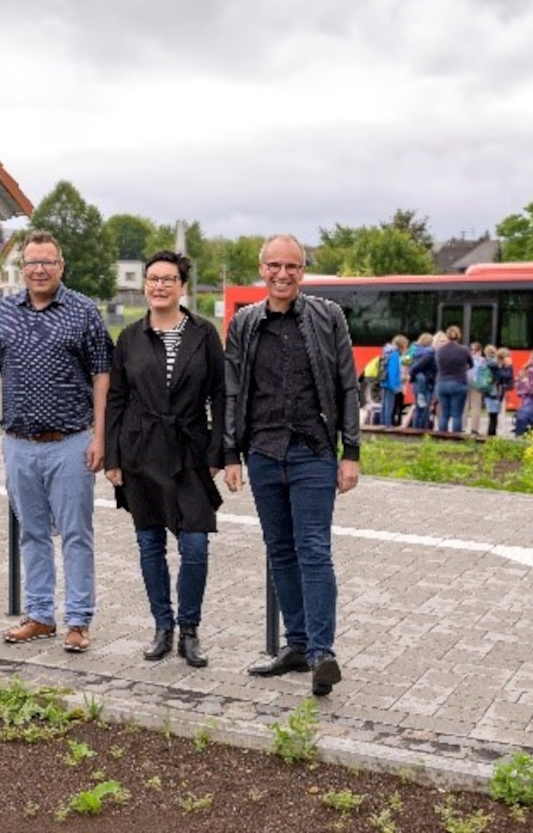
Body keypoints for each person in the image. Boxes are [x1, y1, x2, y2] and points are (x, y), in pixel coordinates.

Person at [222, 234, 360, 697]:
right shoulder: (245, 322)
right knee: (280, 551)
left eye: (293, 267)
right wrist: (230, 454)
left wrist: (351, 453)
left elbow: (347, 386)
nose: (283, 274)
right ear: (261, 269)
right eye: (274, 266)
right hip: (262, 453)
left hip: (313, 452)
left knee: (314, 551)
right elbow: (233, 390)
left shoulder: (328, 317)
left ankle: (323, 652)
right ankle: (296, 644)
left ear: (304, 271)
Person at [0, 230, 114, 654]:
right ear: (22, 268)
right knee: (31, 533)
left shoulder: (84, 312)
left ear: (61, 266)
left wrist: (100, 437)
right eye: (31, 262)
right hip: (18, 444)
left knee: (75, 533)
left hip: (71, 442)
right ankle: (39, 616)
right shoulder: (2, 313)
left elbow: (102, 377)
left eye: (47, 262)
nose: (38, 269)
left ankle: (77, 620)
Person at [104, 251, 225, 668]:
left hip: (191, 449)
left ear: (182, 286)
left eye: (168, 279)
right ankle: (162, 626)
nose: (159, 286)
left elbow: (220, 394)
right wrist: (112, 456)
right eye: (153, 279)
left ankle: (190, 630)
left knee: (195, 545)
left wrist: (220, 451)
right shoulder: (130, 338)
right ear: (145, 286)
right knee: (149, 543)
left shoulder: (204, 334)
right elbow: (117, 398)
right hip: (141, 450)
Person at [435, 326, 473, 433]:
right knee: (457, 414)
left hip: (442, 383)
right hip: (459, 383)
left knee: (444, 413)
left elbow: (438, 365)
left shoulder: (440, 351)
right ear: (459, 336)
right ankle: (455, 438)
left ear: (447, 336)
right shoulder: (464, 350)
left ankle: (441, 436)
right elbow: (471, 364)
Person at [408, 333, 436, 430]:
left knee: (419, 408)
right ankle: (421, 431)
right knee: (424, 410)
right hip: (426, 383)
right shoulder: (429, 353)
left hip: (417, 382)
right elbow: (417, 367)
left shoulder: (416, 350)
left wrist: (411, 374)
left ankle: (416, 430)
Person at [379, 334, 408, 429]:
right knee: (389, 405)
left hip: (384, 381)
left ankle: (382, 424)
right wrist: (395, 386)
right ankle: (388, 425)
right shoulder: (395, 355)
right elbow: (393, 371)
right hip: (391, 384)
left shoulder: (387, 352)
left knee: (384, 404)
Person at [485, 346, 513, 436]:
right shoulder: (495, 366)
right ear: (502, 357)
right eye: (508, 357)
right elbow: (505, 376)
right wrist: (509, 367)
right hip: (492, 393)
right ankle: (491, 435)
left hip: (496, 393)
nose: (509, 359)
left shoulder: (499, 366)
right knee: (493, 415)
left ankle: (492, 434)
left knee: (494, 415)